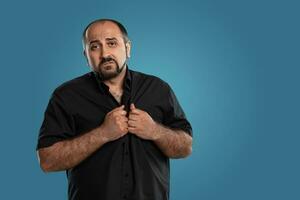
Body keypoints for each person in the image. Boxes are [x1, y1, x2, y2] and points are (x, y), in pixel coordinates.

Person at [36, 18, 193, 200]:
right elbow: (47, 161)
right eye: (94, 47)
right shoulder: (66, 95)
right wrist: (102, 134)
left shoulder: (158, 89)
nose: (104, 53)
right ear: (86, 55)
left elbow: (185, 147)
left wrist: (154, 131)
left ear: (127, 48)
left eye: (112, 43)